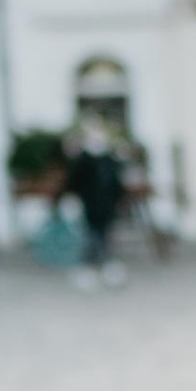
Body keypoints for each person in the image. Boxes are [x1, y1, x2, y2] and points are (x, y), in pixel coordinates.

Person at [63, 123, 128, 289]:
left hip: (106, 208)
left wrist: (118, 202)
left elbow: (116, 184)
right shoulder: (83, 161)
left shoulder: (109, 160)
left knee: (103, 237)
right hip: (89, 207)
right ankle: (90, 267)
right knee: (89, 238)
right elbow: (73, 183)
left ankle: (105, 266)